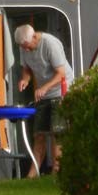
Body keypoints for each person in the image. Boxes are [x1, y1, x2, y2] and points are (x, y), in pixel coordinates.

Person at [14, 24, 73, 178]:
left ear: (34, 37)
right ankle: (32, 175)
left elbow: (61, 74)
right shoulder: (23, 45)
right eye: (22, 47)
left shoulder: (49, 44)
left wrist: (44, 88)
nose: (25, 50)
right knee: (39, 134)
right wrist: (25, 80)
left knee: (56, 133)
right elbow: (26, 68)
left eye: (27, 46)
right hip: (43, 94)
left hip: (61, 91)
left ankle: (56, 173)